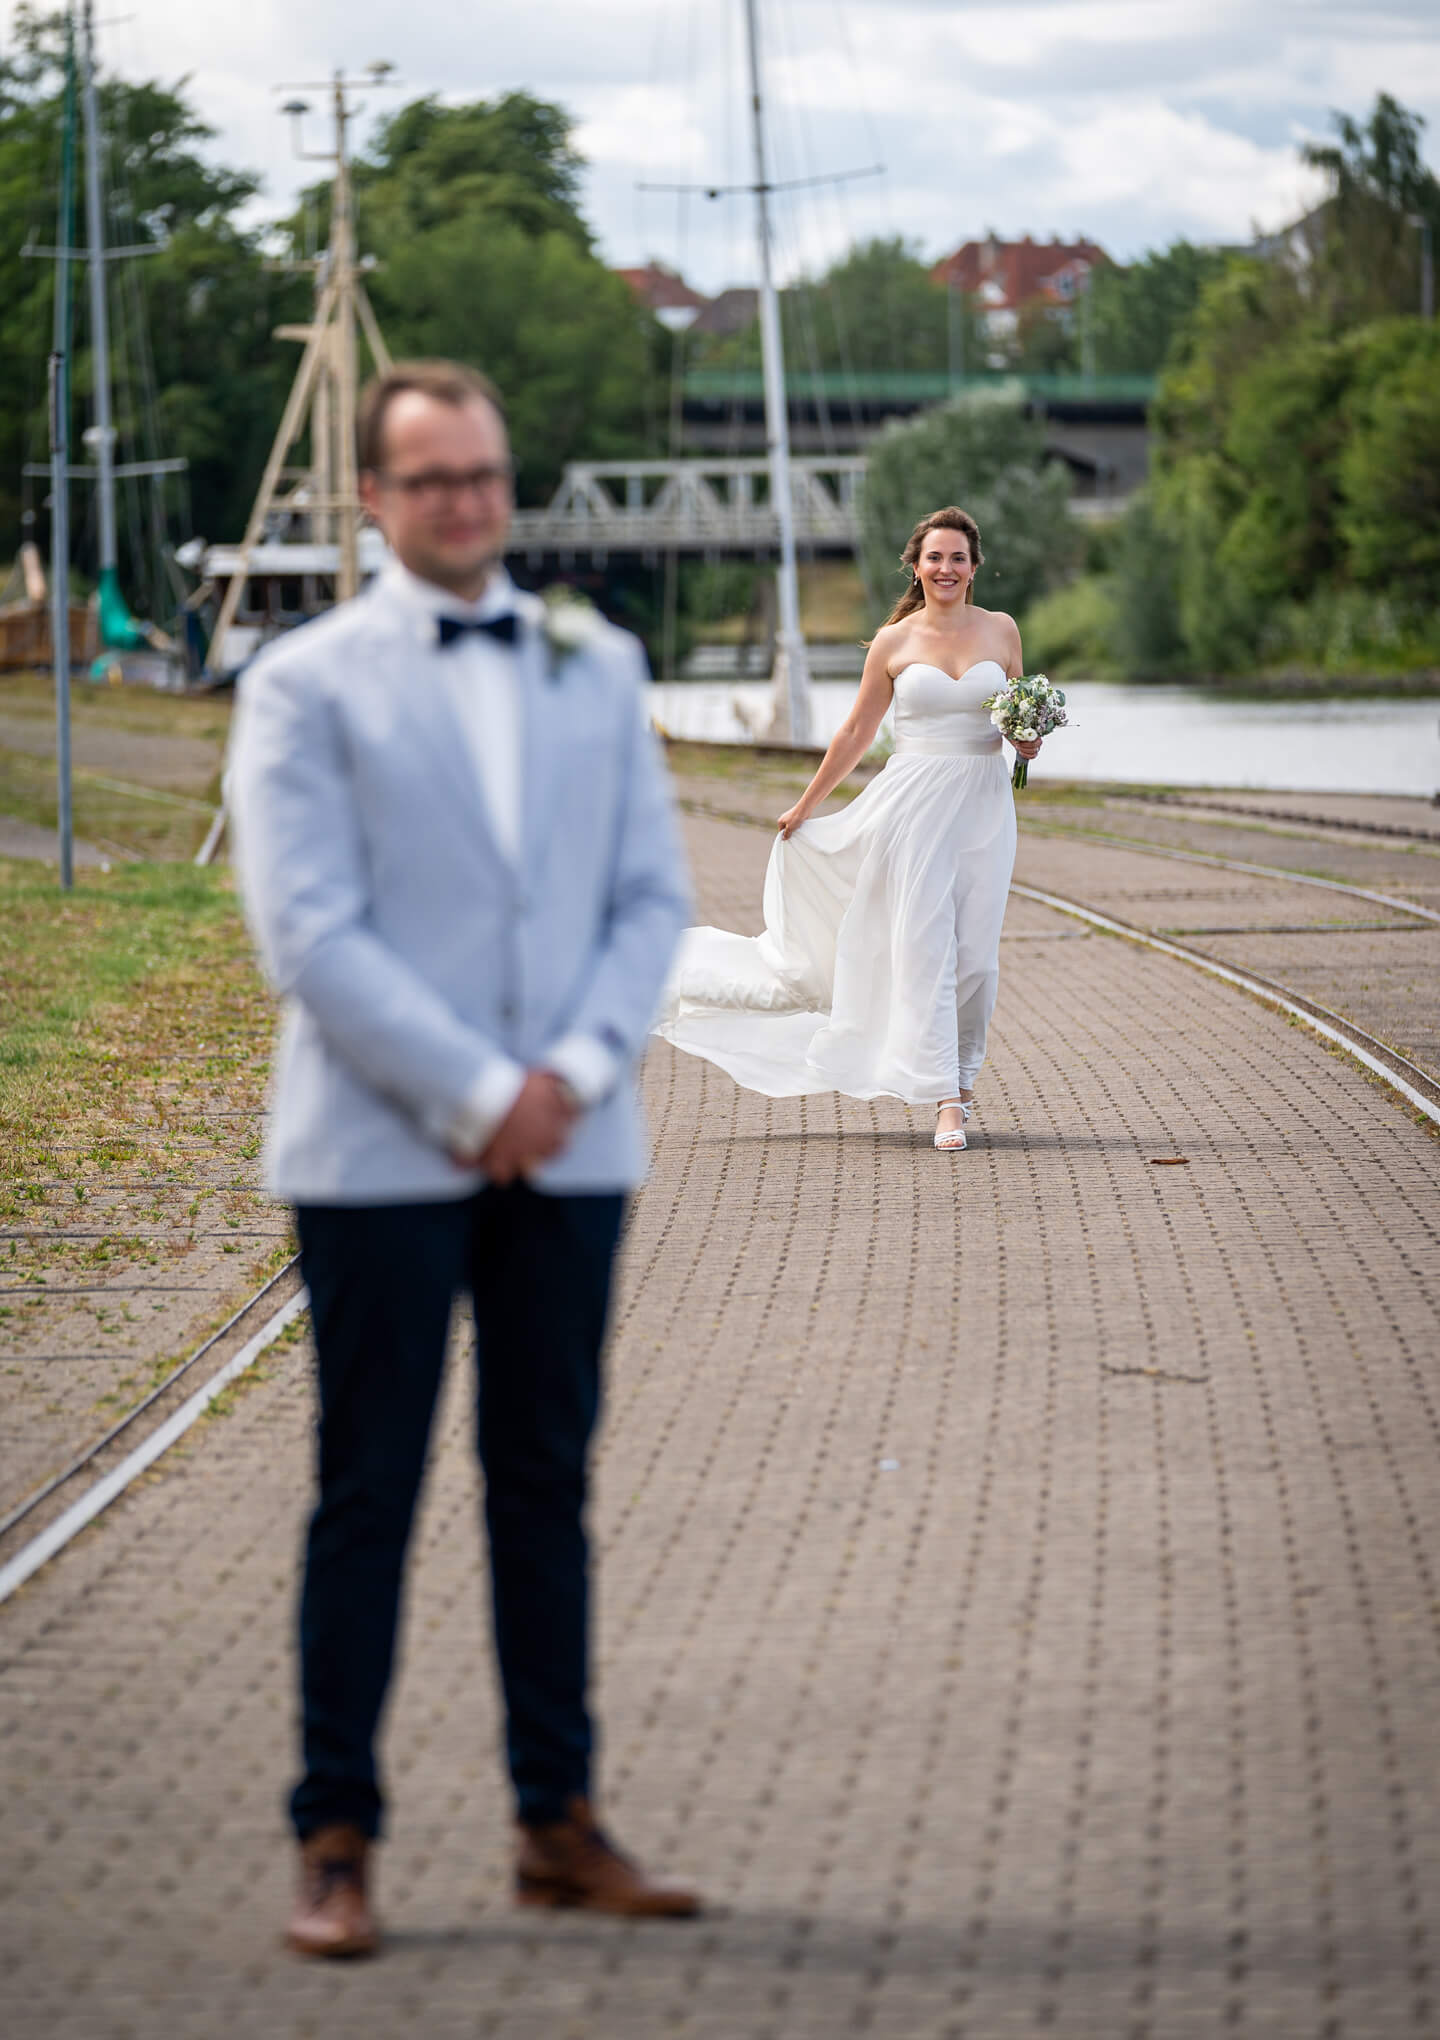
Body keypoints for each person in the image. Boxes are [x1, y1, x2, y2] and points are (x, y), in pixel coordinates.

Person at [228, 360, 697, 1957]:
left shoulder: (598, 660)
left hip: (571, 1148)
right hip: (377, 1154)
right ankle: (335, 1839)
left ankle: (556, 1823)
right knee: (367, 1492)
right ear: (371, 497)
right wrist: (473, 1090)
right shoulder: (304, 680)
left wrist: (561, 1077)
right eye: (431, 481)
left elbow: (652, 899)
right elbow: (308, 930)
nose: (465, 504)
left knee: (545, 1487)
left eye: (486, 476)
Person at [655, 507, 1040, 1152]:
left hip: (984, 806)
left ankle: (960, 1075)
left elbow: (1014, 718)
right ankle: (946, 1096)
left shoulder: (1002, 632)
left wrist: (1028, 743)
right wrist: (807, 805)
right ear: (916, 567)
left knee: (974, 954)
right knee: (927, 949)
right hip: (913, 811)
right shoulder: (894, 643)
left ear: (975, 566)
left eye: (958, 558)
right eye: (934, 558)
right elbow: (857, 732)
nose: (946, 569)